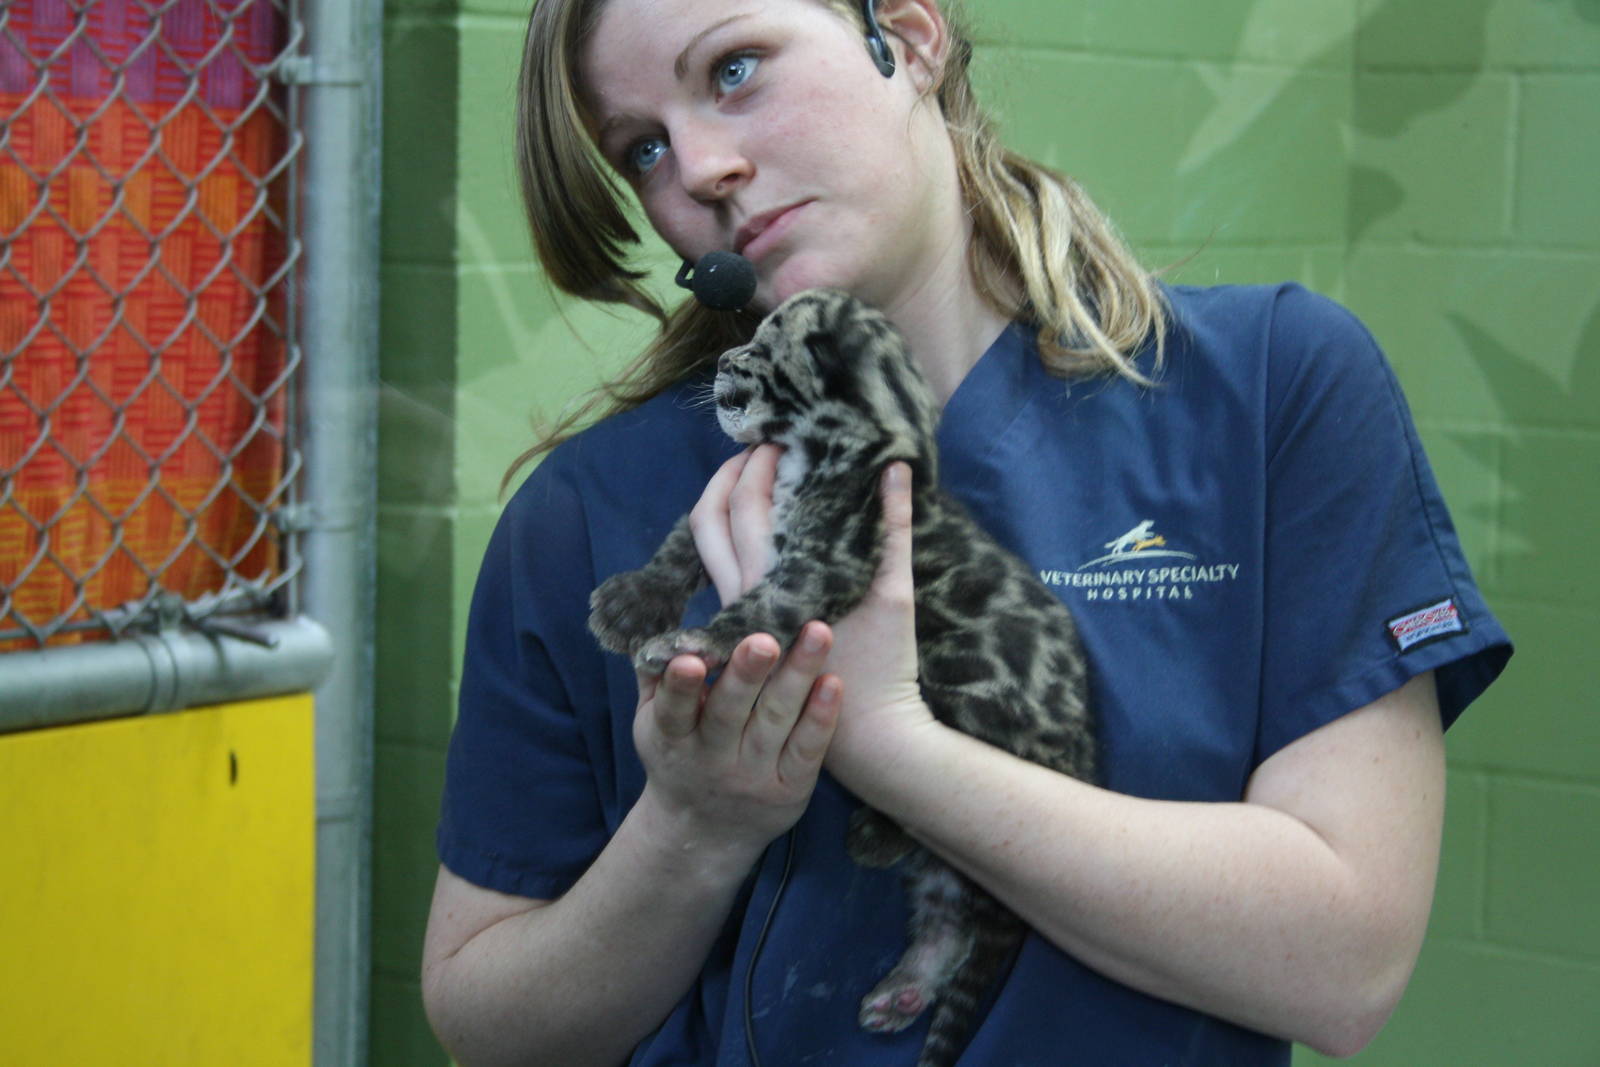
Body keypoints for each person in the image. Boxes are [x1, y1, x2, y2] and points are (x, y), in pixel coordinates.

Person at [420, 0, 1513, 1063]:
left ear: (906, 35)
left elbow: (1345, 965)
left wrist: (891, 742)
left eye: (735, 69)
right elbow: (484, 1023)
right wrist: (694, 825)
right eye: (644, 148)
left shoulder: (1271, 387)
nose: (700, 167)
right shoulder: (586, 512)